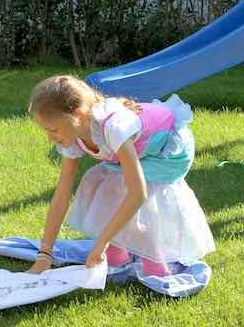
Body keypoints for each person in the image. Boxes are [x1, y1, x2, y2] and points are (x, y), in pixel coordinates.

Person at [26, 75, 215, 275]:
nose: (50, 138)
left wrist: (101, 242)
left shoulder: (114, 127)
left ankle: (155, 265)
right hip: (134, 153)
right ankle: (117, 256)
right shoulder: (72, 136)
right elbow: (61, 196)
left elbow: (138, 194)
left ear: (79, 114)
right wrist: (44, 255)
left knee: (131, 195)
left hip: (167, 152)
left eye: (53, 130)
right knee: (96, 185)